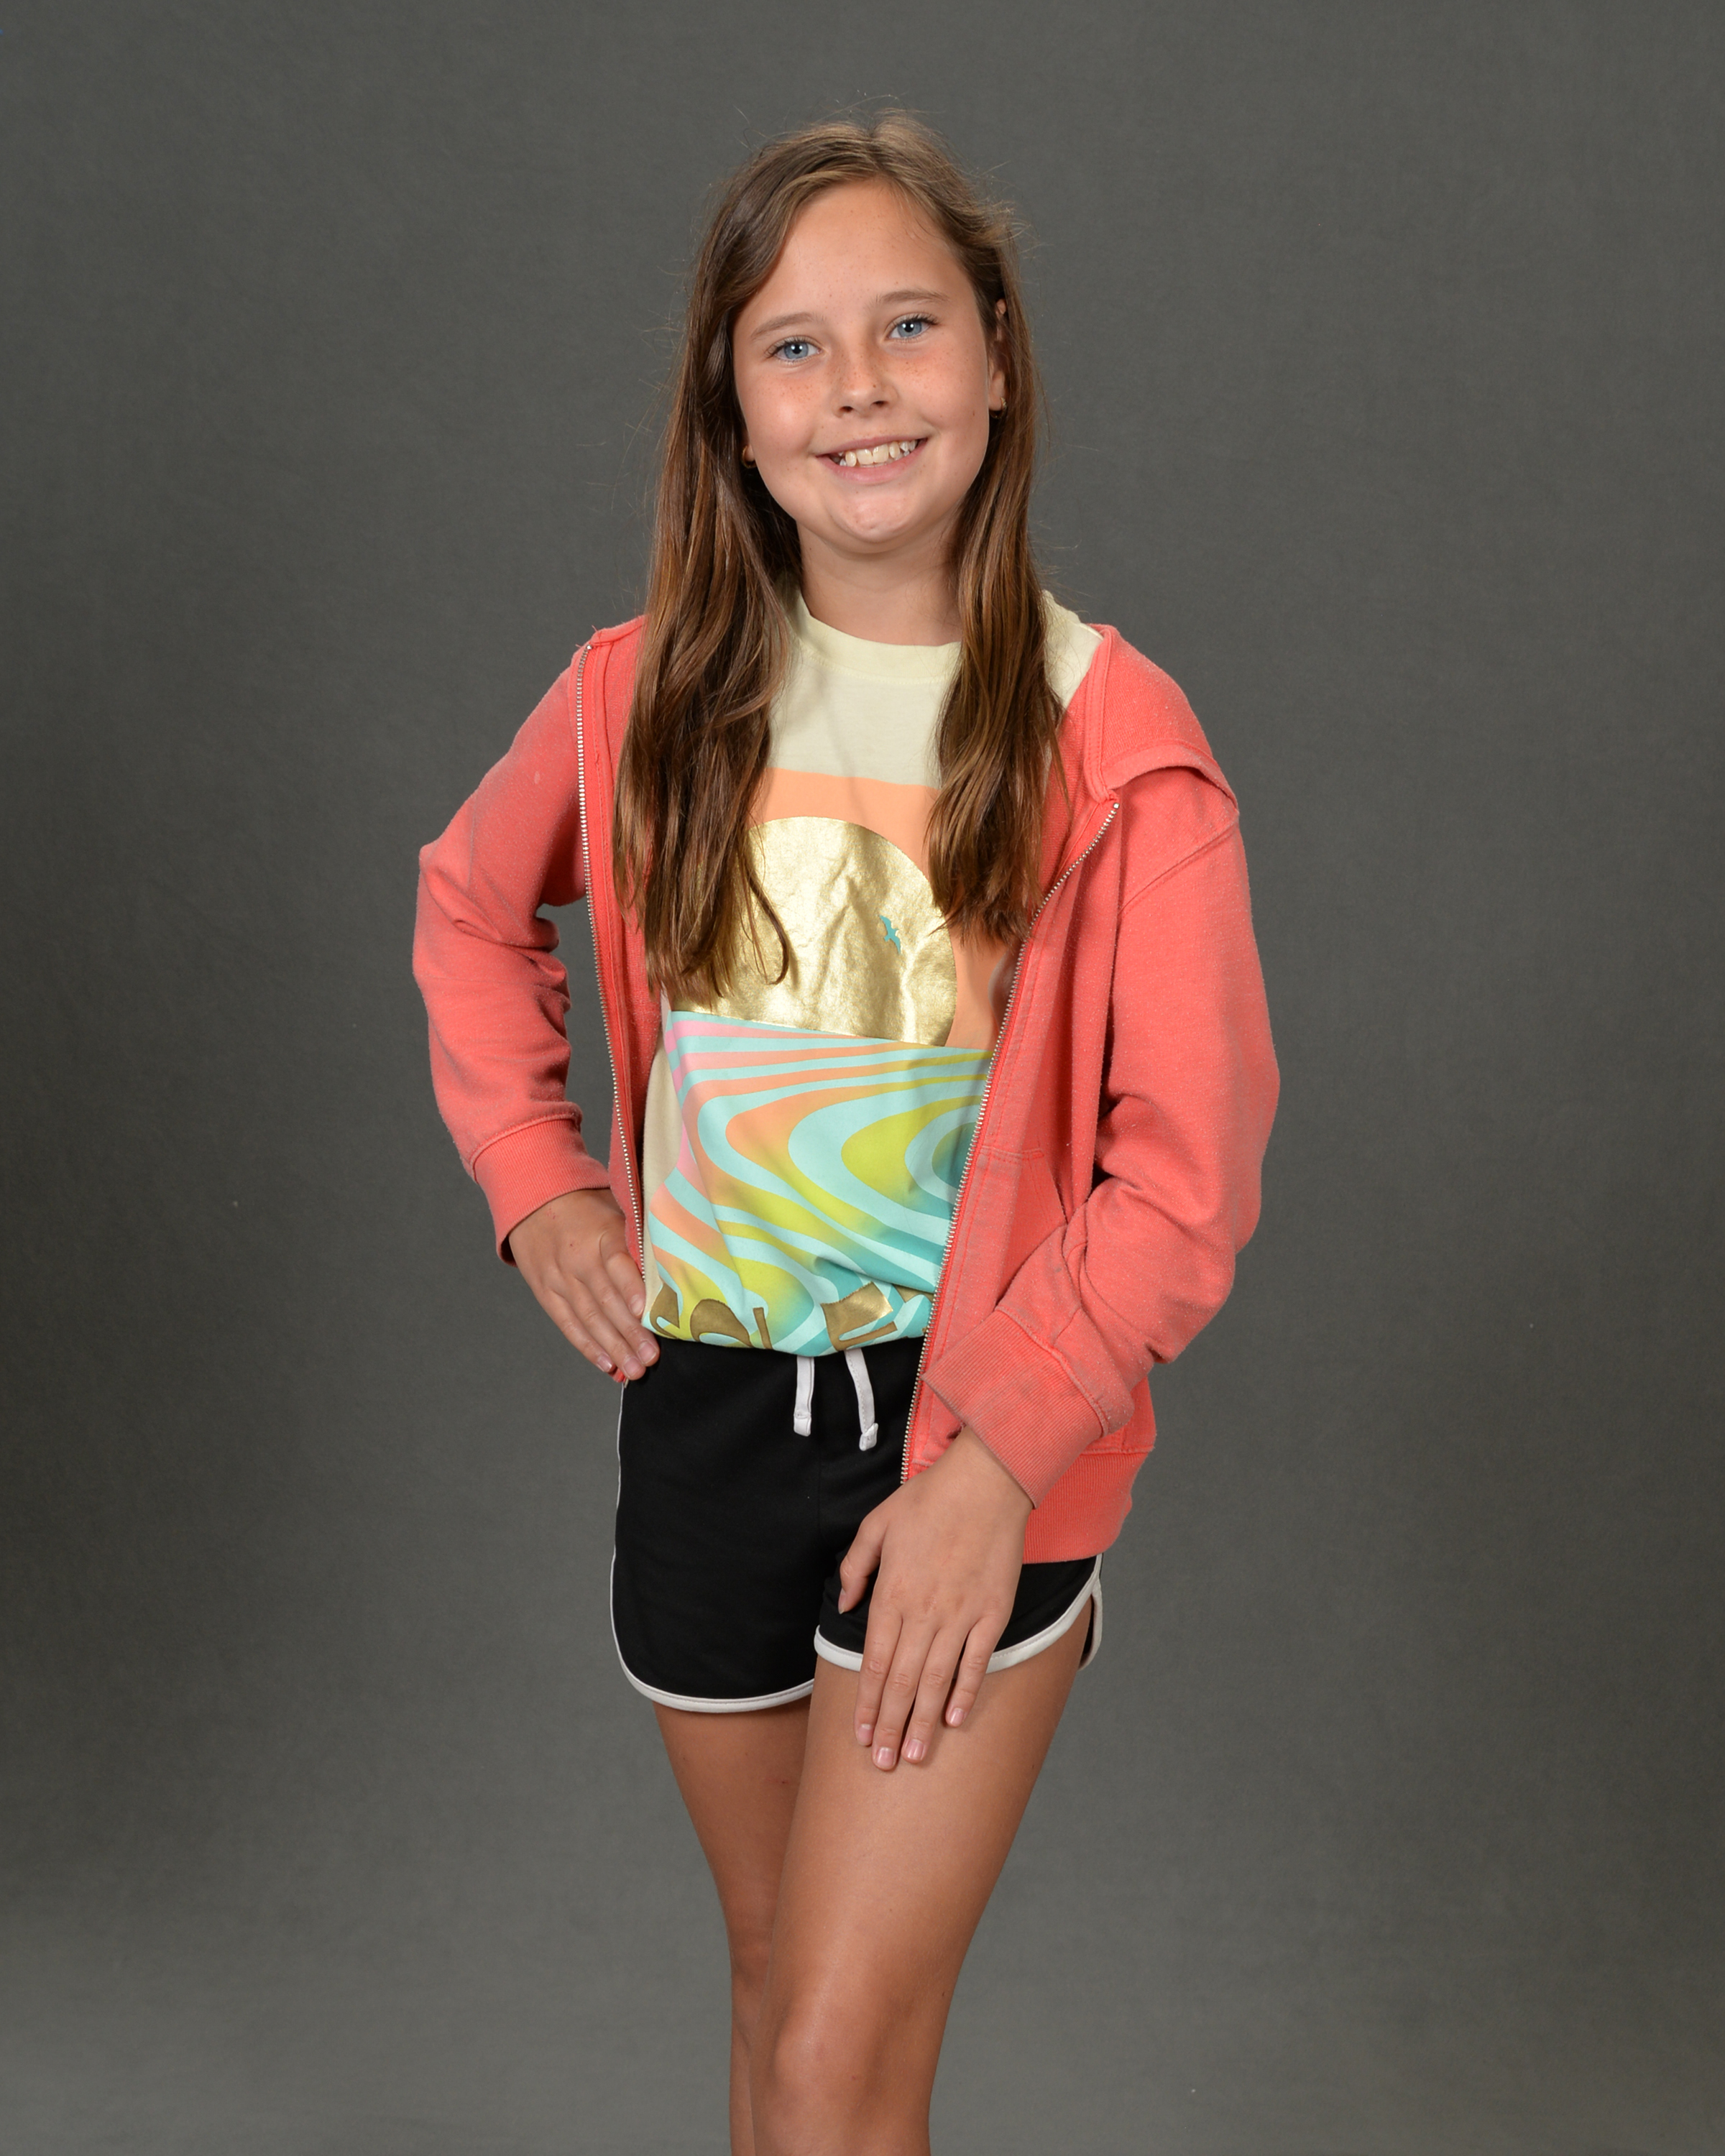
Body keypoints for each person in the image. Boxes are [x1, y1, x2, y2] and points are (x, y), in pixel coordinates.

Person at [414, 109, 1277, 2156]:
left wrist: (996, 1467)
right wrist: (539, 1183)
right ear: (732, 409)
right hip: (706, 1427)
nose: (860, 385)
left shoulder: (1115, 741)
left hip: (968, 1444)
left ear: (998, 360)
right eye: (794, 346)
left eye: (909, 325)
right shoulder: (636, 702)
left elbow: (1186, 1177)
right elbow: (466, 906)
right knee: (779, 1998)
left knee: (830, 2057)